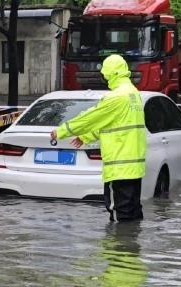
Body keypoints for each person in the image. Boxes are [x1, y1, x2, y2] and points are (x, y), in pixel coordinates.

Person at [51, 54, 146, 222]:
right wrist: (87, 137)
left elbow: (91, 118)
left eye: (105, 73)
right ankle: (133, 245)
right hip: (134, 166)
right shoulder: (134, 94)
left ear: (110, 73)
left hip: (119, 168)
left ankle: (117, 247)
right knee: (133, 211)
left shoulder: (116, 97)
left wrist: (62, 131)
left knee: (118, 216)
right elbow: (112, 123)